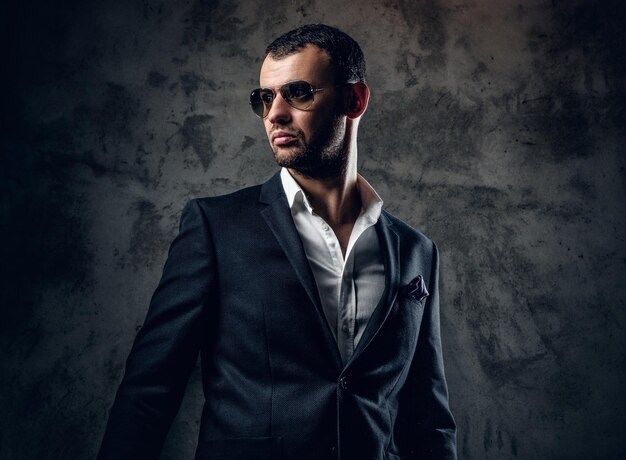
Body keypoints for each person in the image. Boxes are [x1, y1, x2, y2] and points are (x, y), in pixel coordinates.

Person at [97, 24, 456, 460]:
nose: (275, 114)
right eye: (265, 98)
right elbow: (150, 389)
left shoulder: (416, 251)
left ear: (354, 100)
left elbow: (428, 418)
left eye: (298, 92)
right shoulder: (215, 228)